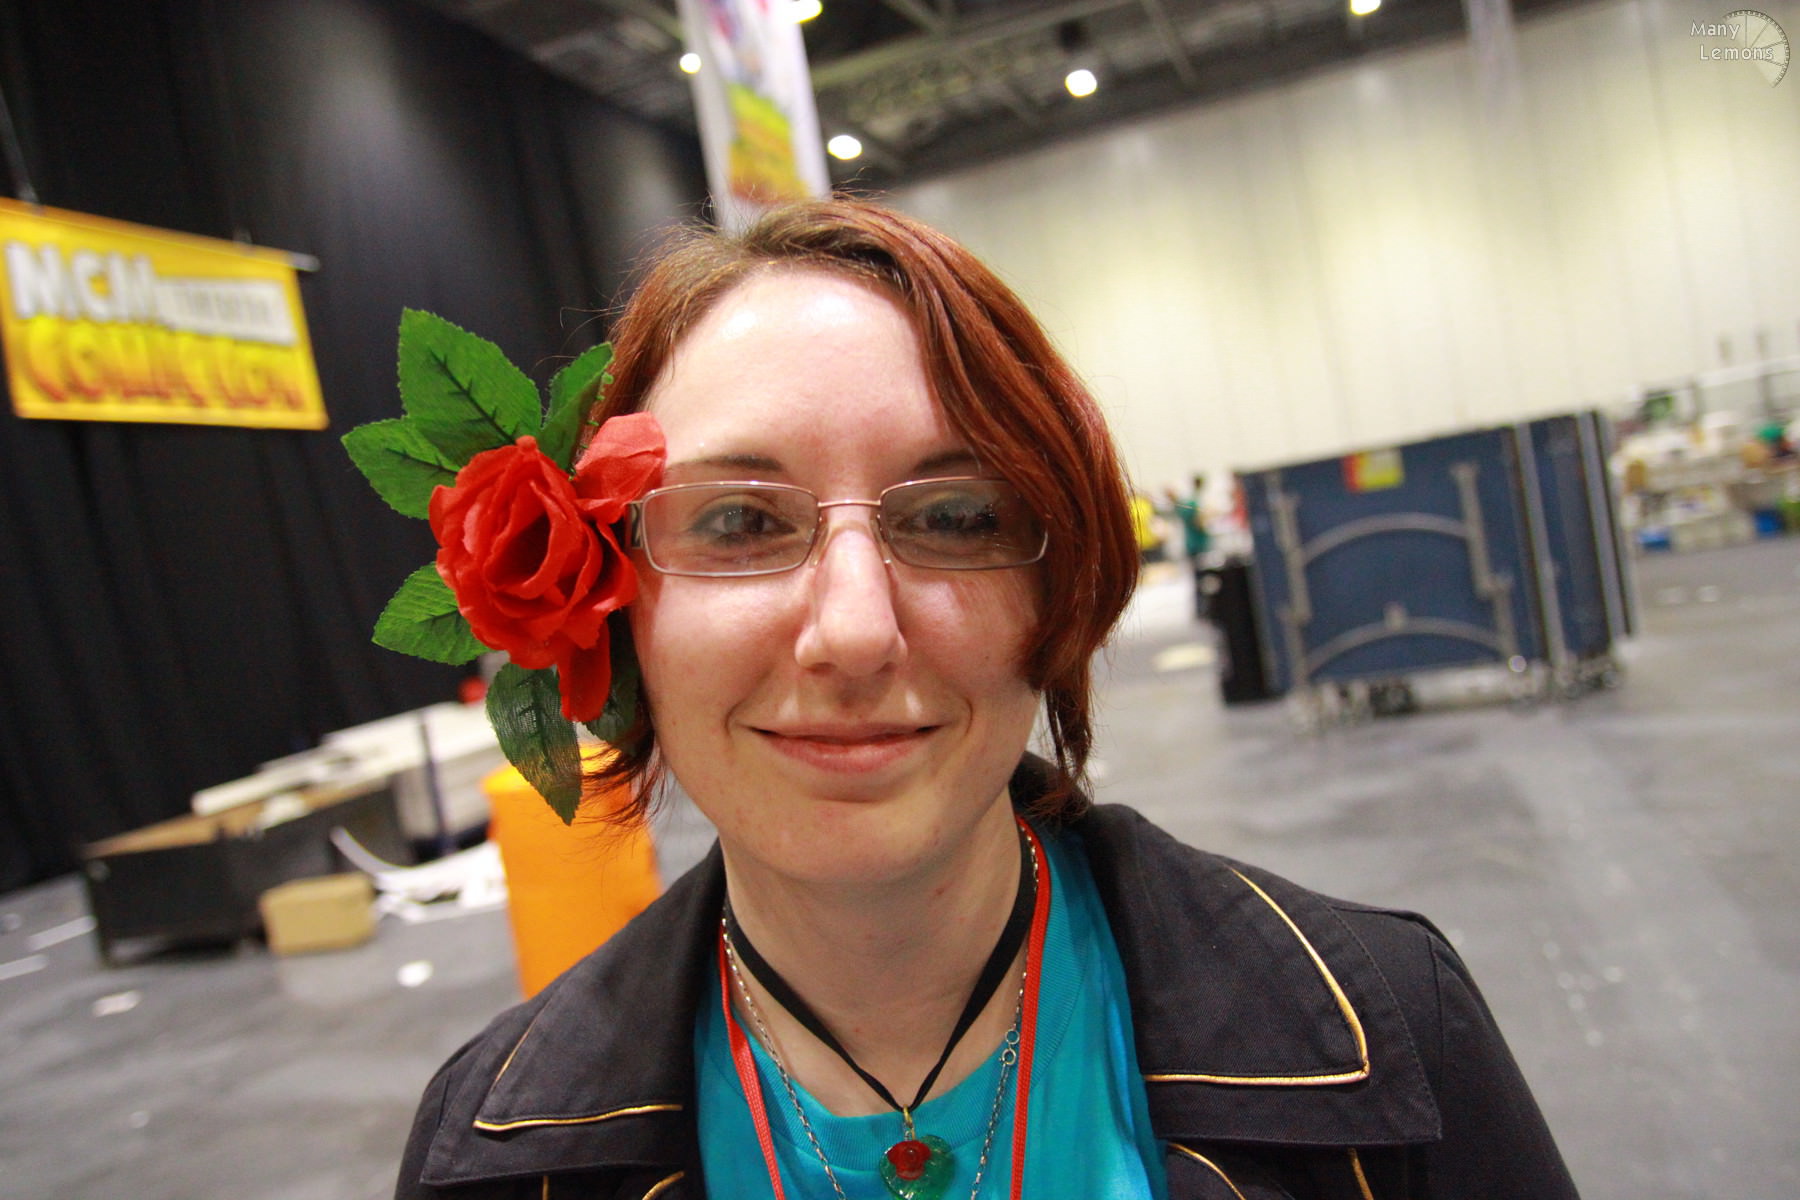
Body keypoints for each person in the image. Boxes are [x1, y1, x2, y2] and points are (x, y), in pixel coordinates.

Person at [392, 199, 1579, 1199]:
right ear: (611, 605)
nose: (855, 631)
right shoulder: (489, 1163)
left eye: (955, 518)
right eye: (741, 522)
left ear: (1060, 588)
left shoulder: (1391, 1029)